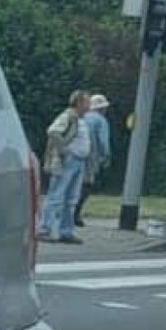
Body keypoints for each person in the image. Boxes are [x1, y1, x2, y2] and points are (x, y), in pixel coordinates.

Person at [39, 90, 92, 244]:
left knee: (71, 199)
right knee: (56, 196)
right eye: (87, 102)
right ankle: (44, 229)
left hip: (78, 162)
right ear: (79, 103)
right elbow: (53, 131)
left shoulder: (80, 119)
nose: (89, 106)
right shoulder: (68, 116)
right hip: (67, 161)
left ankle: (65, 231)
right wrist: (63, 151)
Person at [74, 94, 111, 227]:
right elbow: (103, 142)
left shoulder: (81, 117)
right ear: (101, 109)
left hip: (75, 154)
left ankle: (67, 212)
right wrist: (105, 157)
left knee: (74, 183)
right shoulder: (101, 121)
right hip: (91, 156)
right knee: (87, 184)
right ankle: (76, 213)